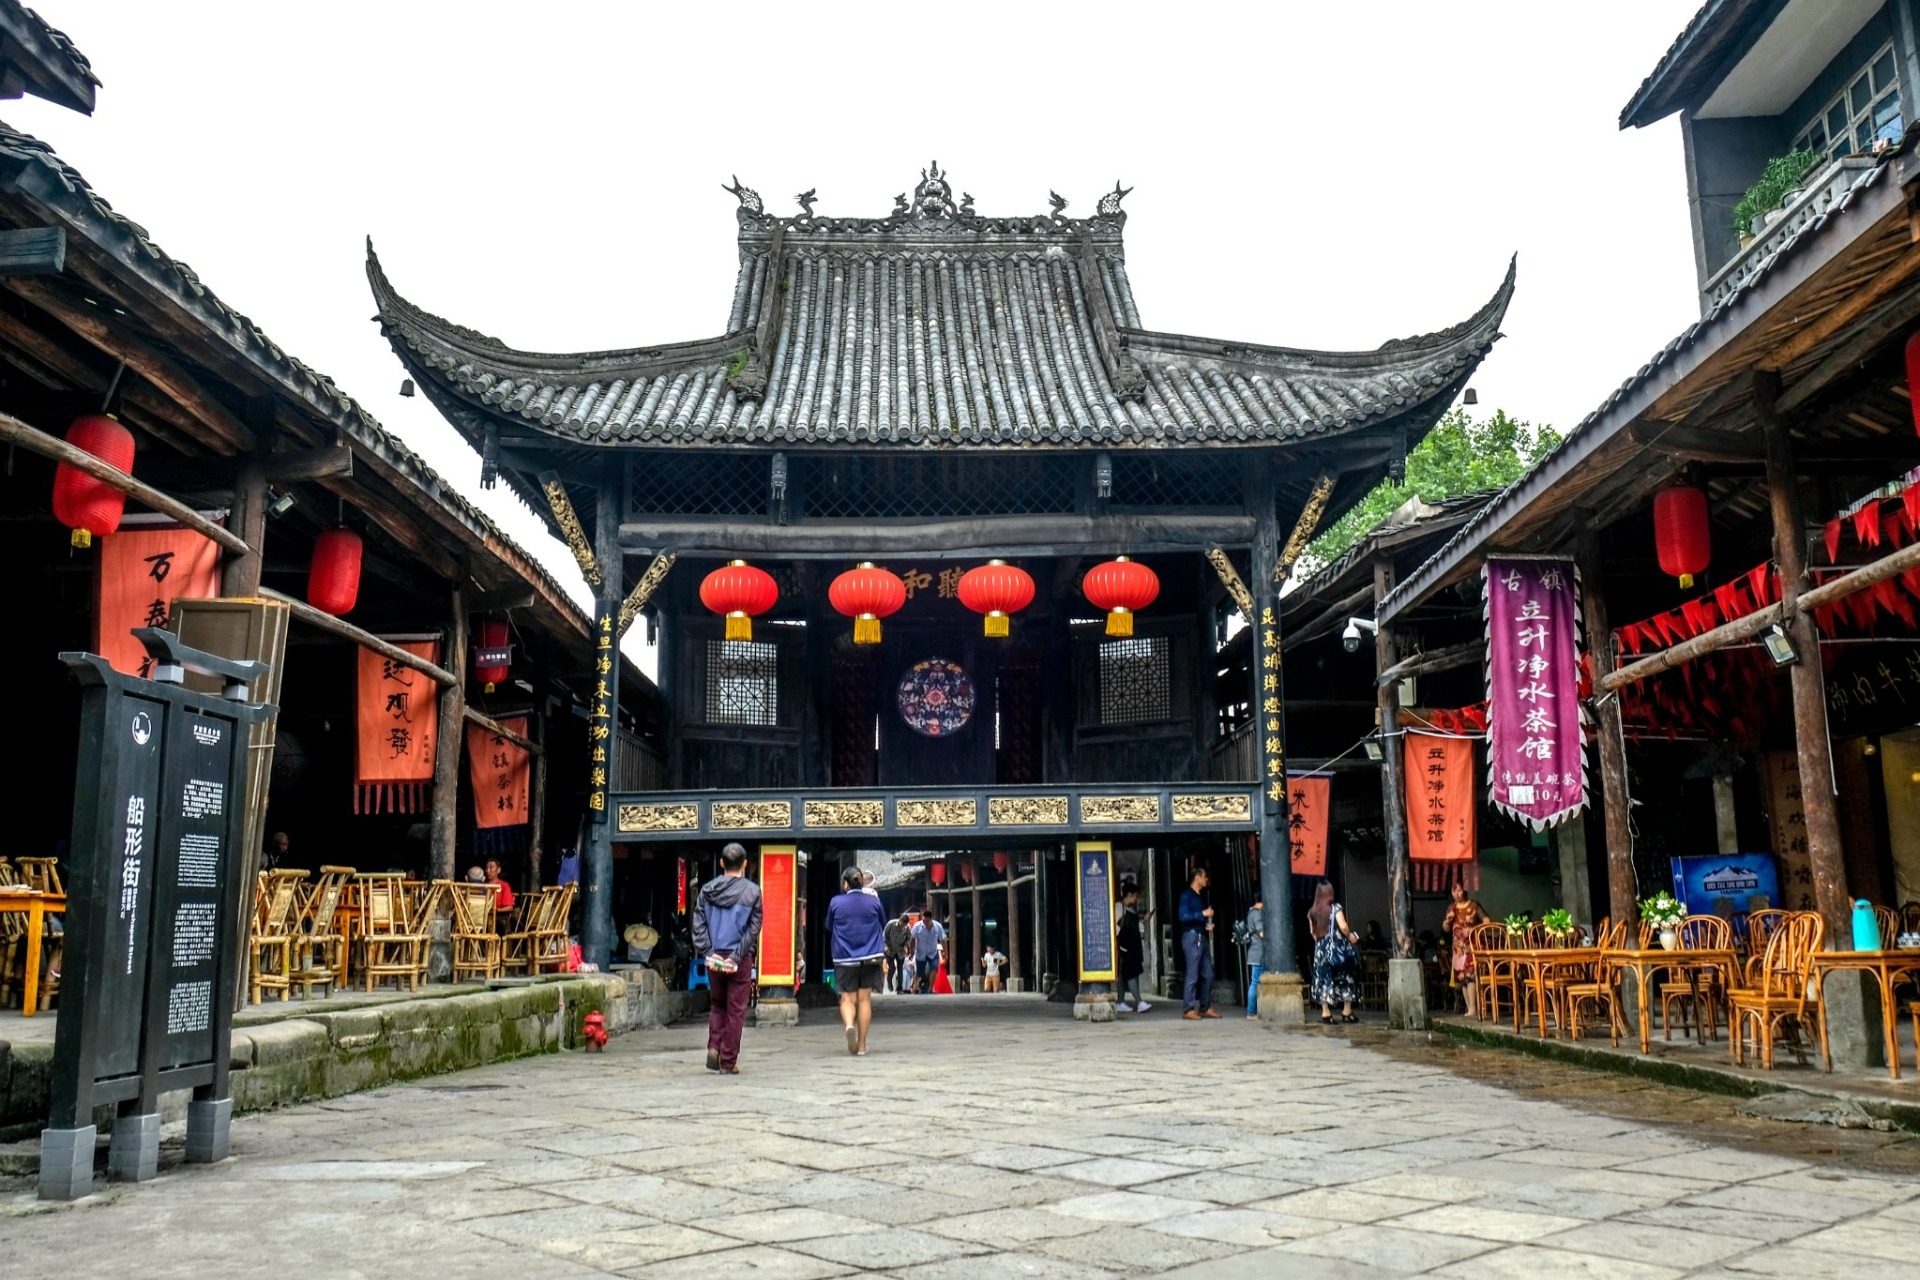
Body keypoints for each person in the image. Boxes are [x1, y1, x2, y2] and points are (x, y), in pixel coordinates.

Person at [692, 842, 762, 1074]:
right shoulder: (753, 892)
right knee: (736, 1010)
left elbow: (698, 925)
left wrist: (709, 952)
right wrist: (736, 955)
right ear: (745, 864)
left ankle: (714, 1047)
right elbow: (753, 929)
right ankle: (728, 1061)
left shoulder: (707, 890)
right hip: (739, 959)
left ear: (721, 863)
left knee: (718, 1004)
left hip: (714, 957)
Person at [826, 865, 887, 1055]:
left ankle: (849, 1026)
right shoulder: (874, 902)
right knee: (864, 999)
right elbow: (883, 923)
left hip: (844, 957)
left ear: (846, 884)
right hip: (870, 956)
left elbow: (829, 926)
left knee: (847, 999)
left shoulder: (836, 902)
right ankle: (861, 1046)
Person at [1307, 879, 1360, 1024]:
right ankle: (1347, 1010)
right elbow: (1343, 927)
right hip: (1338, 950)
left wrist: (1321, 943)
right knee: (1346, 976)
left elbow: (1312, 933)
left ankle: (1326, 1013)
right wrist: (1350, 936)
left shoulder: (1312, 912)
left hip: (1321, 951)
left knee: (1324, 979)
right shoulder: (1335, 908)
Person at [1178, 867, 1221, 1020]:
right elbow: (1183, 916)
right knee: (1193, 973)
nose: (1206, 879)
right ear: (1197, 877)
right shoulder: (1186, 896)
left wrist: (1206, 924)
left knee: (1208, 973)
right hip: (1191, 937)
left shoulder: (1199, 896)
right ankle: (1188, 1009)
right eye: (1204, 876)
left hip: (1201, 936)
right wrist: (1202, 913)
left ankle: (1205, 1006)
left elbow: (1197, 919)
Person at [1441, 881, 1488, 1018]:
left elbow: (1487, 921)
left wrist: (1474, 929)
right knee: (1461, 978)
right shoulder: (1451, 908)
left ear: (1464, 891)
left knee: (1470, 975)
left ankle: (1474, 1007)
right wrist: (1447, 921)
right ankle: (1469, 1008)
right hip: (1458, 948)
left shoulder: (1473, 905)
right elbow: (1446, 929)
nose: (1457, 894)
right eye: (1454, 891)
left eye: (1459, 890)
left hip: (1471, 946)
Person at [1114, 882, 1152, 1013]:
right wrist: (1122, 934)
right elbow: (1112, 925)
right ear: (1129, 895)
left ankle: (1120, 1002)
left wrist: (1144, 920)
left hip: (1133, 946)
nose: (1136, 899)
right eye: (1135, 896)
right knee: (1131, 975)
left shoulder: (1130, 909)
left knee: (1124, 976)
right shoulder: (1119, 908)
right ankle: (1139, 1002)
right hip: (1125, 947)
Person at [910, 911, 946, 994]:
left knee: (934, 968)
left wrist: (945, 952)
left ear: (931, 919)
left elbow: (943, 939)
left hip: (932, 952)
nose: (925, 922)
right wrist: (911, 951)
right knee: (919, 972)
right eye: (924, 920)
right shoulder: (917, 926)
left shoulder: (938, 926)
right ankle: (916, 986)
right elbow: (912, 939)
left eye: (927, 921)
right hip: (921, 952)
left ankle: (931, 988)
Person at [1243, 898, 1265, 1020]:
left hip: (1255, 952)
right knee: (1255, 982)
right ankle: (1251, 1012)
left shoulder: (1250, 912)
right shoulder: (1256, 914)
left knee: (1255, 982)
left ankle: (1253, 1011)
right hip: (1258, 953)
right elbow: (1261, 933)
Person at [883, 913, 911, 994]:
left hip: (900, 950)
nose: (903, 925)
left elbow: (908, 938)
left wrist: (906, 946)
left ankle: (899, 988)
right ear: (900, 920)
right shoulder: (890, 924)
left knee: (900, 969)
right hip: (890, 949)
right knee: (892, 967)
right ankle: (889, 980)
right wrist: (886, 946)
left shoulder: (907, 928)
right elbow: (884, 936)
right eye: (902, 923)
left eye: (905, 924)